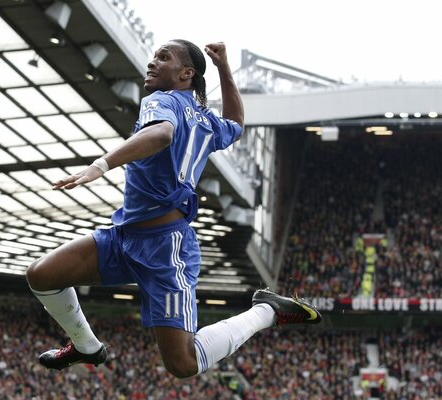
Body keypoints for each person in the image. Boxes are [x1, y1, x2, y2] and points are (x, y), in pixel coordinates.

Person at [26, 40, 321, 379]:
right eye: (153, 56)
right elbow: (237, 123)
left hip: (165, 249)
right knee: (42, 274)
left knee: (182, 364)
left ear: (186, 74)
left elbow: (162, 134)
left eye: (163, 58)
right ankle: (86, 347)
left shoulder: (161, 101)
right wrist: (224, 66)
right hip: (126, 236)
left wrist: (101, 164)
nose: (152, 63)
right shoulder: (206, 121)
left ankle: (267, 311)